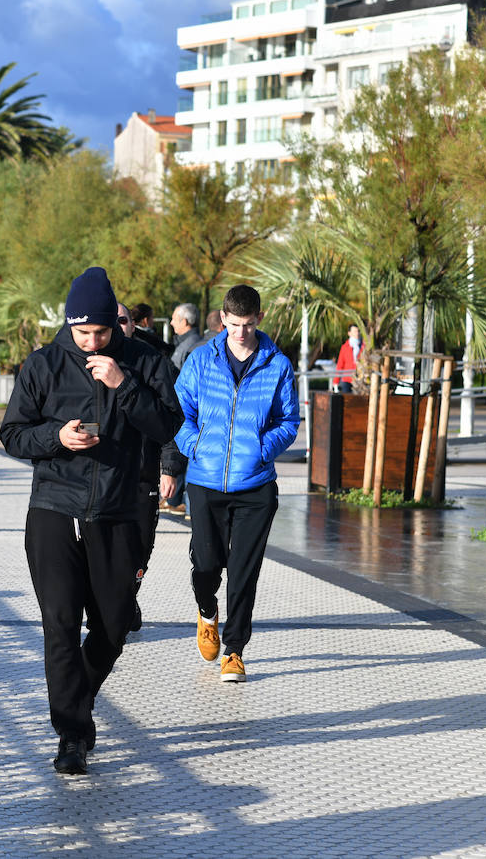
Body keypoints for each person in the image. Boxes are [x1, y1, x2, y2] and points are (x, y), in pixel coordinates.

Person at [0, 268, 181, 775]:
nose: (93, 342)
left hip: (120, 512)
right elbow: (13, 435)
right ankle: (73, 735)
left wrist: (123, 385)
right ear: (69, 325)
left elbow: (169, 425)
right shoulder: (44, 365)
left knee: (114, 626)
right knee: (59, 625)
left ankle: (75, 697)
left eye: (102, 332)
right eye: (83, 334)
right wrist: (58, 437)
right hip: (54, 511)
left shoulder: (146, 361)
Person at [175, 284, 300, 683]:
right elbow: (179, 414)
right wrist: (197, 447)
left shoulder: (277, 364)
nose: (241, 333)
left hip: (256, 486)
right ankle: (206, 611)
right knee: (208, 565)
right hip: (206, 481)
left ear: (259, 319)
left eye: (247, 325)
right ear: (222, 320)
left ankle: (234, 650)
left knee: (244, 571)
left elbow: (289, 421)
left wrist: (262, 449)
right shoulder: (200, 360)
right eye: (233, 325)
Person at [116, 302, 160, 632]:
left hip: (144, 475)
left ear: (134, 325)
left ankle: (128, 597)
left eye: (123, 320)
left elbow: (172, 418)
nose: (118, 326)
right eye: (111, 321)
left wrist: (171, 468)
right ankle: (112, 606)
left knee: (141, 547)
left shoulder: (150, 361)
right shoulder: (86, 363)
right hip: (106, 477)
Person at [169, 303, 201, 371]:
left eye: (174, 319)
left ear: (184, 322)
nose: (171, 323)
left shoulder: (191, 346)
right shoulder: (184, 342)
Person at [334, 323, 362, 392]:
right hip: (347, 378)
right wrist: (336, 382)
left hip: (360, 379)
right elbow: (340, 364)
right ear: (349, 333)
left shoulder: (363, 346)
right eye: (355, 331)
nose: (357, 333)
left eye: (358, 331)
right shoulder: (345, 347)